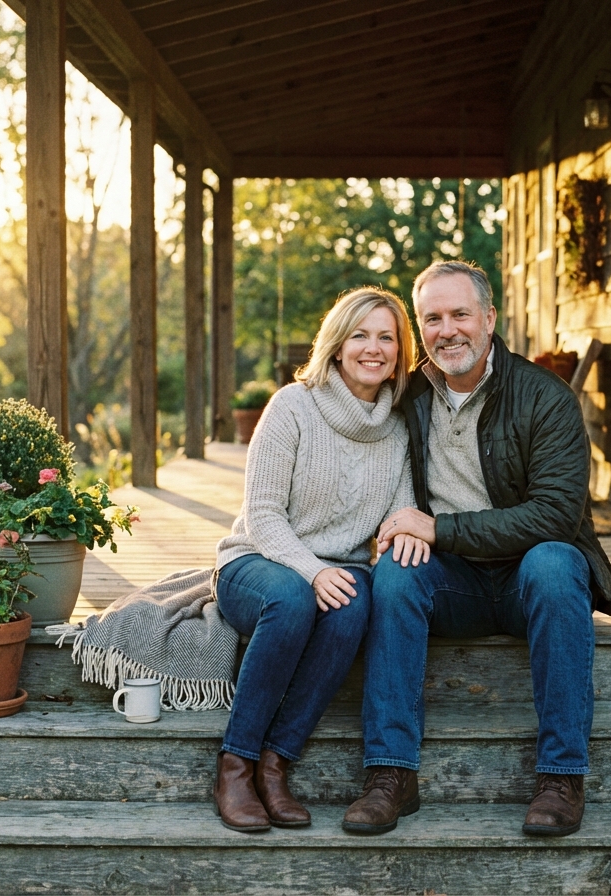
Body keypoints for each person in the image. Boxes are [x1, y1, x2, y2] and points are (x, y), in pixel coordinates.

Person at [342, 260, 611, 837]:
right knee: (393, 572)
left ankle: (561, 776)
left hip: (530, 579)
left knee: (555, 561)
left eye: (460, 314)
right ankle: (390, 774)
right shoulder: (408, 394)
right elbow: (338, 413)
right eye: (432, 319)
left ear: (490, 319)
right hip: (453, 584)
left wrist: (438, 528)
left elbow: (554, 515)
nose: (448, 330)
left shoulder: (546, 398)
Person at [212, 286, 429, 833]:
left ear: (401, 352)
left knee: (355, 608)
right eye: (360, 335)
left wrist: (402, 540)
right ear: (337, 346)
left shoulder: (399, 427)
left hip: (340, 572)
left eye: (387, 337)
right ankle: (235, 765)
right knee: (290, 601)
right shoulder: (293, 405)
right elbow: (261, 515)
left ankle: (276, 763)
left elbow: (401, 510)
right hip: (258, 562)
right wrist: (312, 571)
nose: (373, 348)